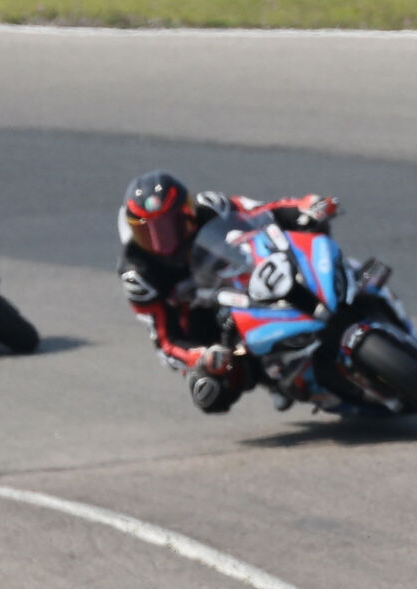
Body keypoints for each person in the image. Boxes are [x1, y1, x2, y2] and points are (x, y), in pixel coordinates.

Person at [116, 171, 341, 414]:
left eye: (171, 226)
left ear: (188, 211)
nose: (162, 241)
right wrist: (199, 357)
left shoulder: (213, 207)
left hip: (251, 272)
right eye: (148, 234)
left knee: (309, 231)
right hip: (209, 322)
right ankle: (275, 379)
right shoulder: (139, 274)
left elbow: (265, 211)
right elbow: (165, 341)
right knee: (208, 392)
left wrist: (305, 207)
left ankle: (346, 282)